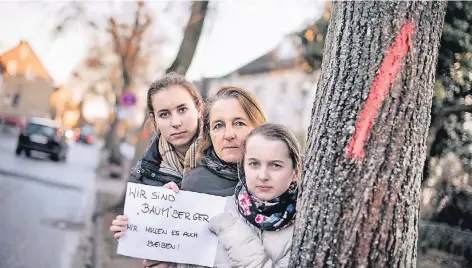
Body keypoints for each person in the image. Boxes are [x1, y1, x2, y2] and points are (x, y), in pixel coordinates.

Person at [111, 86, 269, 267]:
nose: (228, 134)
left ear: (258, 125)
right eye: (218, 125)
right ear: (209, 133)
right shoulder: (194, 184)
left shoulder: (285, 180)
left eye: (239, 123)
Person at [166, 123, 301, 267]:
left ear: (295, 172)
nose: (263, 176)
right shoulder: (217, 209)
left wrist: (236, 236)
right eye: (254, 164)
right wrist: (170, 208)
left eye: (275, 165)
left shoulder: (301, 227)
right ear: (243, 166)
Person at [110, 72, 203, 268]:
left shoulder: (227, 156)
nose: (175, 122)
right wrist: (129, 231)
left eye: (182, 109)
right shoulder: (144, 176)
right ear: (154, 120)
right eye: (164, 114)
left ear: (199, 109)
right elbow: (152, 248)